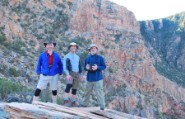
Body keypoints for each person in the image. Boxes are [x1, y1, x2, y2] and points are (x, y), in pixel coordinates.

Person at [32, 39, 63, 104]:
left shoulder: (56, 55)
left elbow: (60, 64)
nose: (50, 46)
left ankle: (54, 103)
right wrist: (38, 72)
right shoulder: (42, 55)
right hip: (44, 74)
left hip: (54, 74)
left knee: (54, 89)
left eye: (51, 45)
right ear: (46, 46)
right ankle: (34, 102)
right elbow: (39, 64)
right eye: (48, 45)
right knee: (39, 88)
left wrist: (60, 72)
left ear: (53, 46)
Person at [83, 44, 106, 110]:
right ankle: (84, 104)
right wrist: (86, 68)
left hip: (98, 78)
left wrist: (97, 67)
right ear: (90, 50)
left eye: (94, 48)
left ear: (96, 49)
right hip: (89, 78)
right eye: (92, 48)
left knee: (99, 92)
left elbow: (104, 66)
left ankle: (102, 106)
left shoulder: (100, 58)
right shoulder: (87, 58)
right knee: (87, 92)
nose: (93, 49)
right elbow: (85, 67)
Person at [63, 42, 83, 107]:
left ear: (76, 48)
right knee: (68, 86)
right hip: (70, 73)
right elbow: (65, 66)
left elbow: (79, 66)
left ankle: (73, 101)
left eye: (75, 46)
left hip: (76, 73)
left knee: (75, 88)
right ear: (70, 48)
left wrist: (80, 74)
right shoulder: (66, 56)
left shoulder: (77, 57)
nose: (73, 47)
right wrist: (67, 74)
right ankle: (66, 100)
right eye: (72, 46)